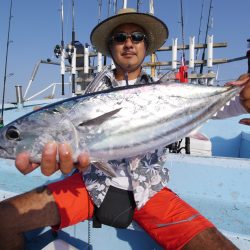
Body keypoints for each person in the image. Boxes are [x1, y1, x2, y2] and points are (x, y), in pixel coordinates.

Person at [0, 8, 250, 250]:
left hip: (150, 190)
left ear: (145, 46)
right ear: (111, 47)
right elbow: (68, 136)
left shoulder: (169, 92)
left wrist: (242, 99)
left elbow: (221, 107)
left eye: (137, 37)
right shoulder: (88, 96)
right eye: (121, 37)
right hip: (90, 187)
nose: (129, 43)